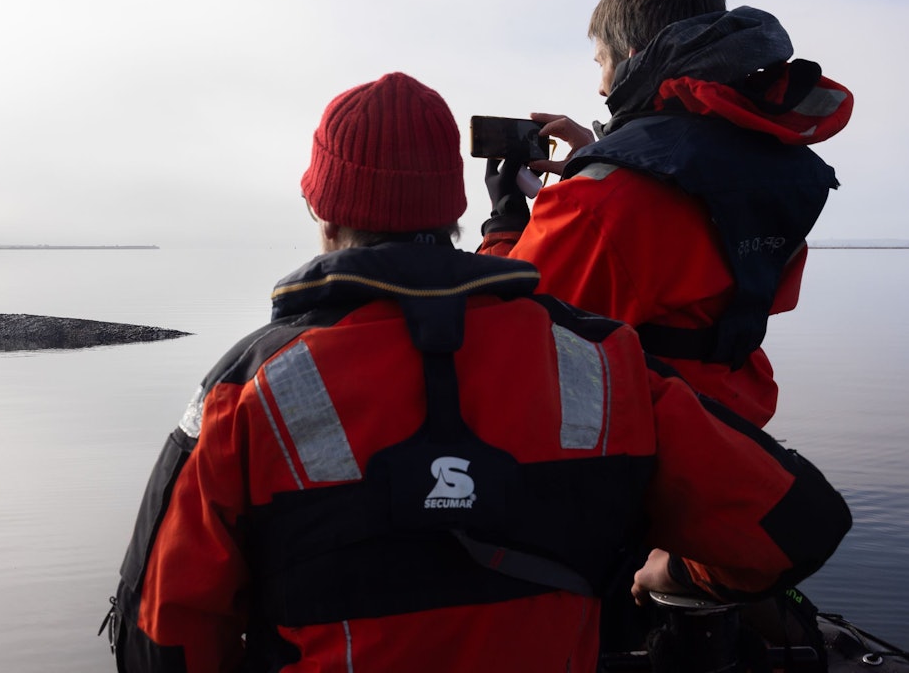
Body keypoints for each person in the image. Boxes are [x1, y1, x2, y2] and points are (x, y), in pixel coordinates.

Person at [103, 72, 851, 673]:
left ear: (324, 211)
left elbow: (160, 635)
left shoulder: (247, 389)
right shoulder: (607, 365)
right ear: (452, 213)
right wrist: (673, 578)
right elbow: (796, 527)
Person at [480, 0, 854, 429]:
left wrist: (504, 225)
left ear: (633, 55)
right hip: (734, 429)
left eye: (601, 61)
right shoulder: (771, 160)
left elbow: (508, 333)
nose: (599, 85)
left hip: (642, 444)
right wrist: (605, 156)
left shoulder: (599, 201)